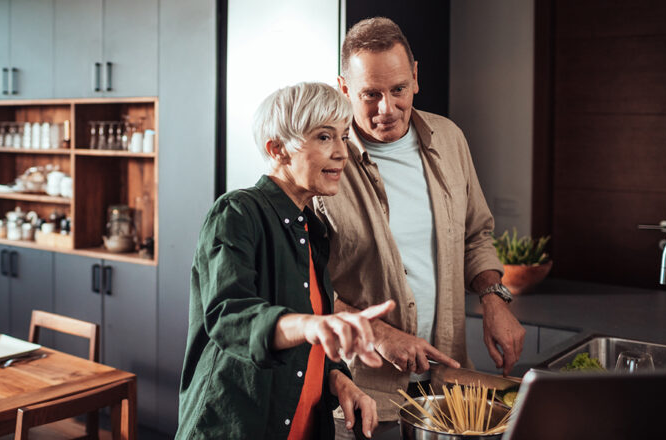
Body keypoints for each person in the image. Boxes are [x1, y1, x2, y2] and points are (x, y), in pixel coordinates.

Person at [312, 17, 526, 437]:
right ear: (343, 89)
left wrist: (493, 297)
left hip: (447, 386)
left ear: (415, 76)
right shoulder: (321, 164)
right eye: (370, 94)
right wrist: (377, 334)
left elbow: (475, 234)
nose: (386, 109)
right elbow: (303, 285)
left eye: (398, 90)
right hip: (362, 395)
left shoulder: (449, 139)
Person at [177, 82, 395, 440]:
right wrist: (310, 326)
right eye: (325, 137)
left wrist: (339, 378)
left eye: (343, 136)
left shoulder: (313, 230)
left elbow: (308, 336)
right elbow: (230, 316)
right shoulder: (237, 213)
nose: (342, 152)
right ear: (277, 149)